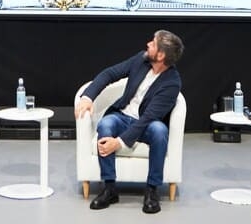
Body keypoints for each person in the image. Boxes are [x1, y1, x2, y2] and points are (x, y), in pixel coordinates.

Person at [75, 30, 184, 215]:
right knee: (106, 125)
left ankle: (152, 190)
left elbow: (148, 117)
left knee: (159, 131)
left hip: (147, 125)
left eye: (153, 43)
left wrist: (118, 143)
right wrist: (87, 98)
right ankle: (109, 188)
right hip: (122, 116)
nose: (148, 44)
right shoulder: (141, 60)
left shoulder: (172, 83)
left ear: (161, 55)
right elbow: (110, 74)